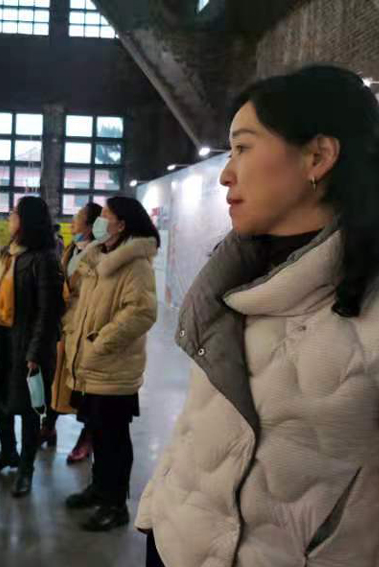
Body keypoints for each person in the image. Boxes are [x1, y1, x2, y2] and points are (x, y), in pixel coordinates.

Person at [137, 66, 379, 567]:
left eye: (243, 148)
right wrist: (158, 506)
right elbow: (200, 426)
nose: (225, 174)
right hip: (172, 542)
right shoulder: (230, 280)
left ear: (318, 156)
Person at [64, 196, 159, 531]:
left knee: (114, 438)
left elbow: (142, 313)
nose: (100, 220)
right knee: (98, 433)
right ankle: (99, 488)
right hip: (91, 366)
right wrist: (73, 329)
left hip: (113, 366)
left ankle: (116, 504)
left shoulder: (135, 265)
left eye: (106, 215)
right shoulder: (98, 257)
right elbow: (83, 304)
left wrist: (100, 342)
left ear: (122, 224)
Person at [0, 196, 64, 498]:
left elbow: (49, 311)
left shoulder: (45, 259)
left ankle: (26, 469)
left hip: (27, 343)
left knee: (29, 409)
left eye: (14, 213)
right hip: (1, 339)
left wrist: (36, 352)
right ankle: (7, 453)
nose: (9, 217)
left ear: (27, 220)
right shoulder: (8, 253)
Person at [40, 202, 103, 464]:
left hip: (85, 327)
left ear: (90, 225)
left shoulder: (100, 254)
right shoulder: (71, 248)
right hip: (64, 325)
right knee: (57, 379)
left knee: (85, 387)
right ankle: (49, 426)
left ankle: (87, 438)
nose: (72, 221)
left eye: (77, 217)